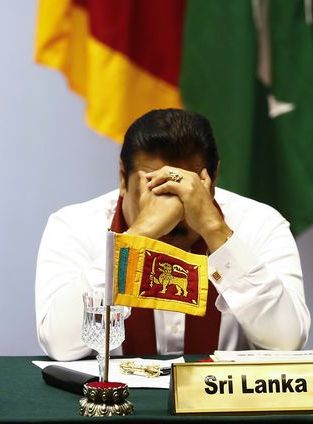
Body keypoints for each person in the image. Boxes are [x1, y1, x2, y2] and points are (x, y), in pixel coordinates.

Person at [35, 109, 309, 360]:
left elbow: (286, 343)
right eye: (155, 187)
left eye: (183, 191)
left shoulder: (259, 224)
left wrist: (215, 230)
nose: (171, 213)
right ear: (122, 177)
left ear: (211, 181)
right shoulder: (74, 226)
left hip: (221, 409)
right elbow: (60, 344)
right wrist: (140, 234)